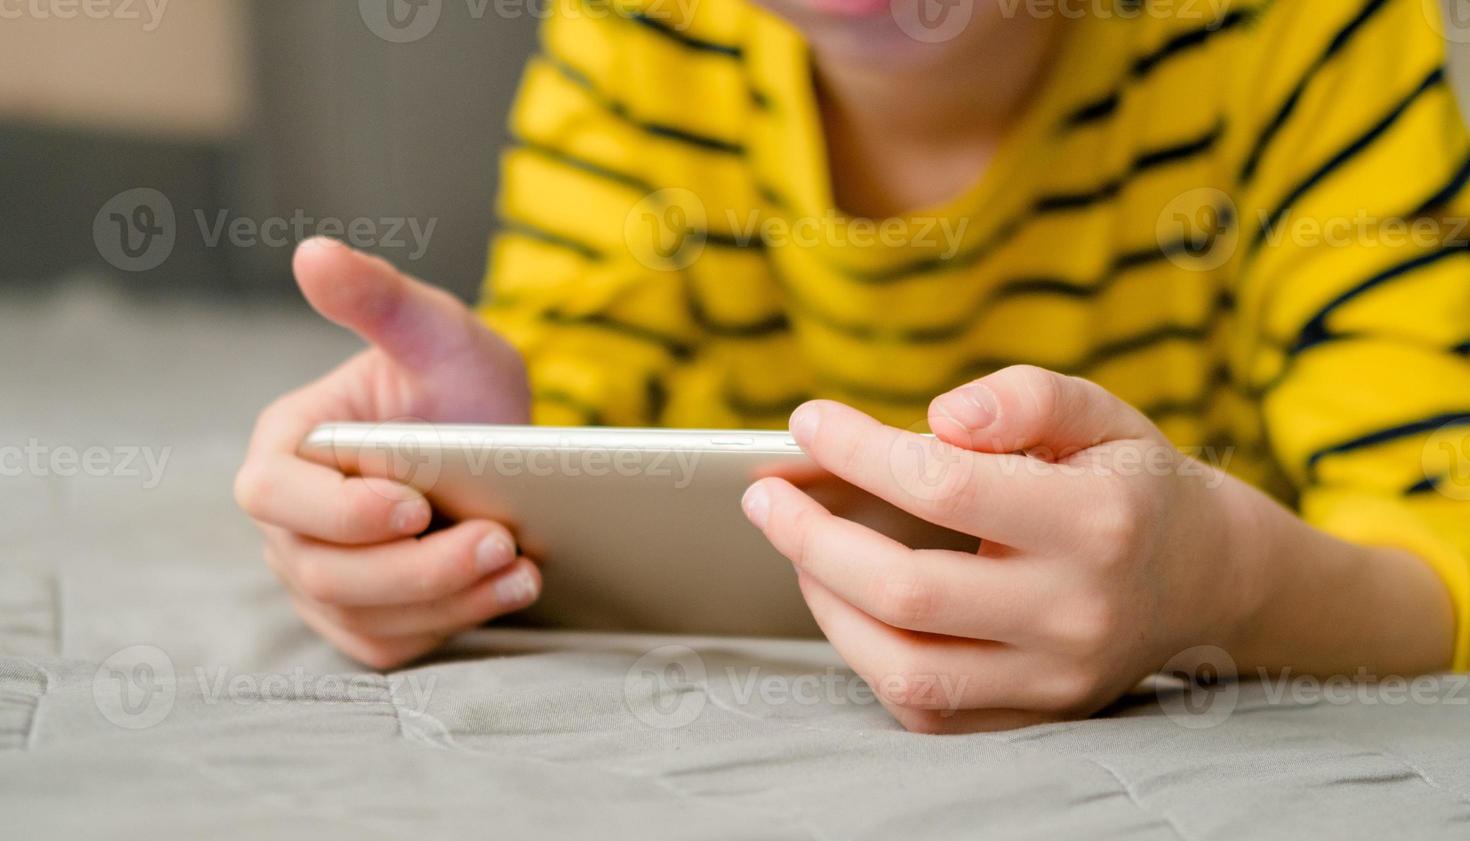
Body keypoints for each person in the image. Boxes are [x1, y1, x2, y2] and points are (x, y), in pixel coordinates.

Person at [236, 0, 1470, 732]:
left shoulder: (1311, 34)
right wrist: (464, 471)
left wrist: (1229, 581)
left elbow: (1440, 550)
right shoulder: (639, 30)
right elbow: (579, 391)